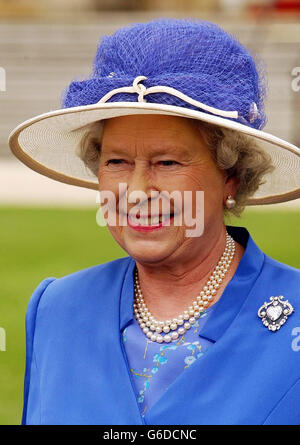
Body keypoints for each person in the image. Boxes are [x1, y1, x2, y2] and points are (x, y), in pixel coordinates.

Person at [9, 18, 300, 425]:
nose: (138, 191)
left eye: (167, 162)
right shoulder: (56, 309)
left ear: (230, 176)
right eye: (117, 162)